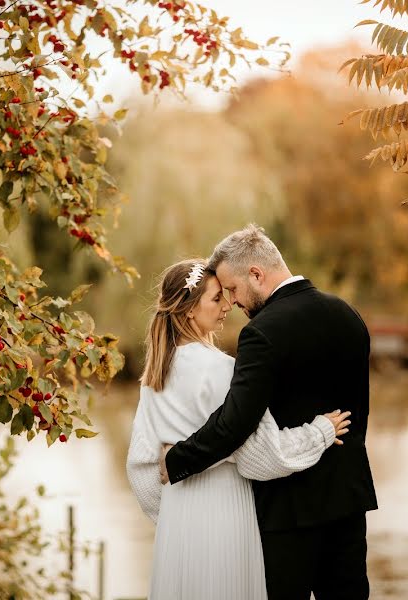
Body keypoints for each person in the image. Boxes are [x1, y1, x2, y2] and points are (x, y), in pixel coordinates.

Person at [160, 225, 378, 600]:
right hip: (347, 504)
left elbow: (234, 425)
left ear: (256, 275)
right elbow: (358, 413)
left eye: (232, 289)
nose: (233, 302)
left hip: (286, 515)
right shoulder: (348, 315)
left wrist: (177, 459)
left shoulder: (262, 333)